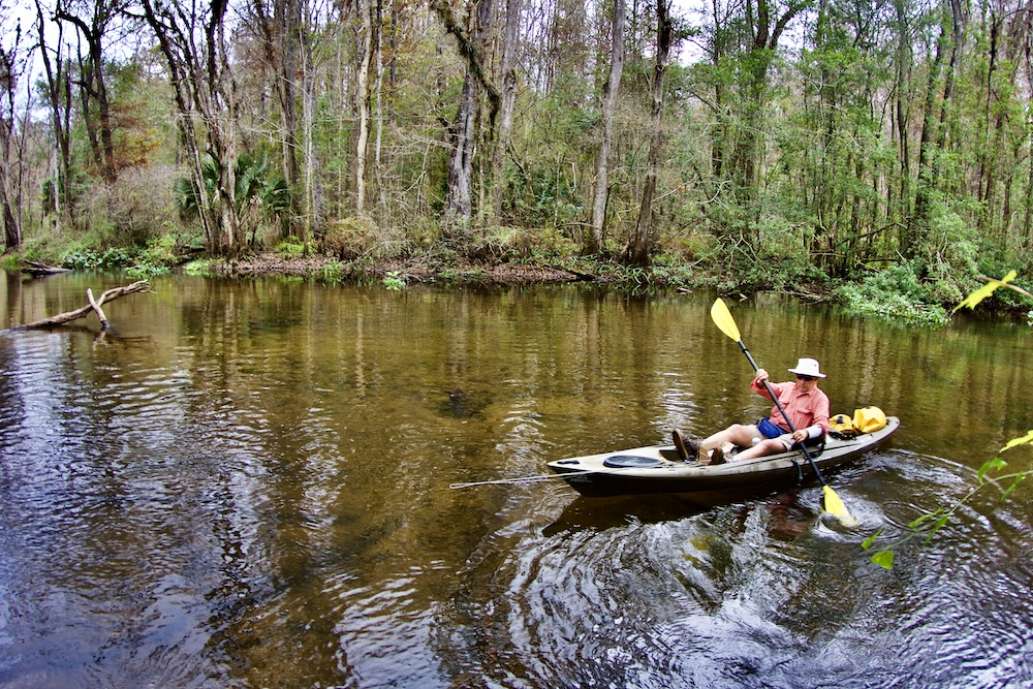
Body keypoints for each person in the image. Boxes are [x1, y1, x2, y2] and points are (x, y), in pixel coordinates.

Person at [673, 357, 831, 465]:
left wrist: (806, 433)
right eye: (800, 376)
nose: (802, 381)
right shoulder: (788, 387)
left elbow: (822, 425)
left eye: (807, 378)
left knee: (766, 445)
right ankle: (698, 448)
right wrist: (762, 380)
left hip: (791, 438)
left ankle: (729, 463)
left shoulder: (820, 398)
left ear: (815, 379)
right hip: (770, 429)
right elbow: (765, 388)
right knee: (735, 429)